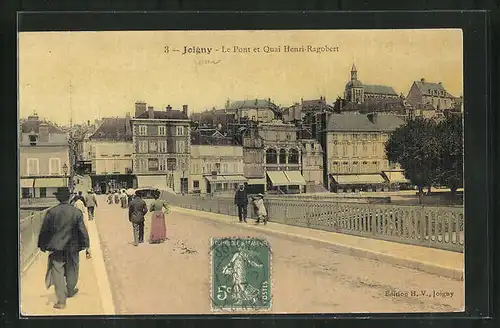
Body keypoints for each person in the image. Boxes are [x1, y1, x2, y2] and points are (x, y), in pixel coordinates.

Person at [37, 187, 91, 309]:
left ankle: (61, 301)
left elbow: (45, 231)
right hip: (73, 247)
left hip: (56, 247)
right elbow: (82, 230)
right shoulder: (76, 212)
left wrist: (42, 245)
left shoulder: (52, 212)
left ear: (57, 198)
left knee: (58, 272)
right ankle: (70, 290)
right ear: (69, 197)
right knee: (73, 269)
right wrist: (86, 245)